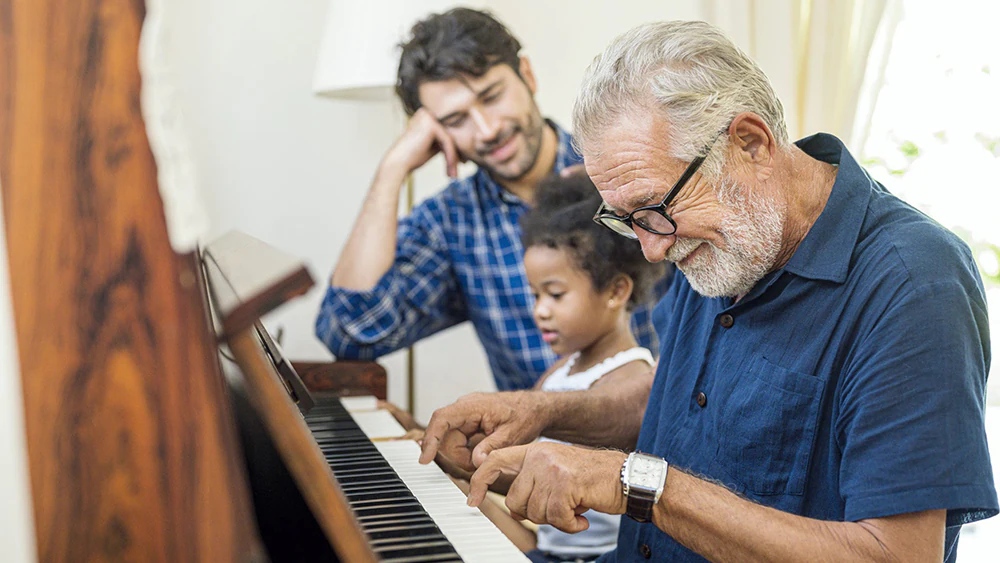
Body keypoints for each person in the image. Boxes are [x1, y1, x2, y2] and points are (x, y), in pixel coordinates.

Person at [417, 20, 997, 563]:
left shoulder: (914, 283)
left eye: (653, 211)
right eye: (626, 220)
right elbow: (678, 406)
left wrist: (634, 484)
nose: (650, 248)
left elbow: (894, 554)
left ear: (750, 142)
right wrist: (542, 412)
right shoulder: (726, 237)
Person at [315, 8, 665, 391]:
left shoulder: (621, 170)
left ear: (526, 75)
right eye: (455, 120)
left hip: (662, 432)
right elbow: (350, 333)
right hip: (531, 446)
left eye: (492, 96)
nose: (487, 130)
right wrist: (392, 169)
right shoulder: (452, 222)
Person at [520, 174, 663, 562]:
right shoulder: (558, 372)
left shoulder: (632, 378)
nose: (540, 311)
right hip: (548, 548)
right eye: (535, 295)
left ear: (616, 291)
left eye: (555, 294)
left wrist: (470, 462)